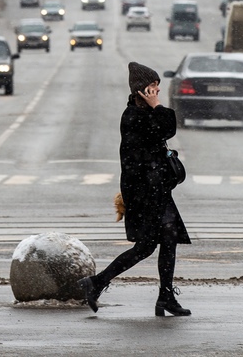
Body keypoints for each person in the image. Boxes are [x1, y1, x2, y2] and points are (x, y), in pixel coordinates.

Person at [77, 62, 191, 317]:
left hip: (157, 191)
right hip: (144, 194)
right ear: (141, 90)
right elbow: (163, 128)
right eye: (152, 86)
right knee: (146, 247)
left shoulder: (146, 113)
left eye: (157, 85)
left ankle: (165, 296)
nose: (157, 89)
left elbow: (169, 126)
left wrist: (156, 107)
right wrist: (156, 106)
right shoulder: (133, 116)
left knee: (168, 240)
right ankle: (97, 282)